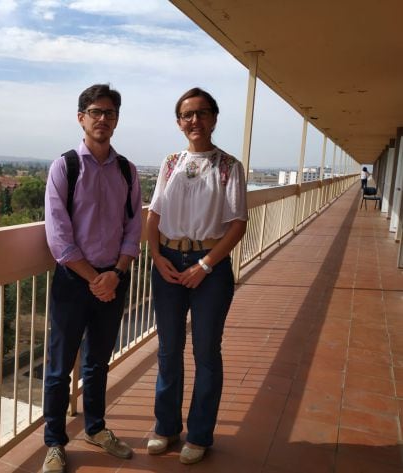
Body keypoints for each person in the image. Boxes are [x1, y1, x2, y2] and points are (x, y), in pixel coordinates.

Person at [42, 83, 142, 473]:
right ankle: (54, 442)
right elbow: (58, 234)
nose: (103, 119)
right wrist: (93, 277)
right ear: (81, 117)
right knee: (59, 365)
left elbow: (135, 226)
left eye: (110, 113)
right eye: (95, 112)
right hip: (73, 280)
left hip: (113, 280)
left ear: (116, 121)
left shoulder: (126, 170)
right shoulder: (65, 166)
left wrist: (115, 274)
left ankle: (96, 428)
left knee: (98, 361)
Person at [146, 87, 248, 464]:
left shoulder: (228, 166)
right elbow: (154, 215)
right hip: (169, 263)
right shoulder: (170, 163)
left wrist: (204, 266)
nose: (194, 120)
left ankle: (200, 434)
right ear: (178, 122)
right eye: (187, 115)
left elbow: (238, 223)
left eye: (202, 113)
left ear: (214, 118)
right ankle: (166, 427)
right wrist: (156, 256)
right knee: (169, 349)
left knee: (206, 352)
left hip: (211, 265)